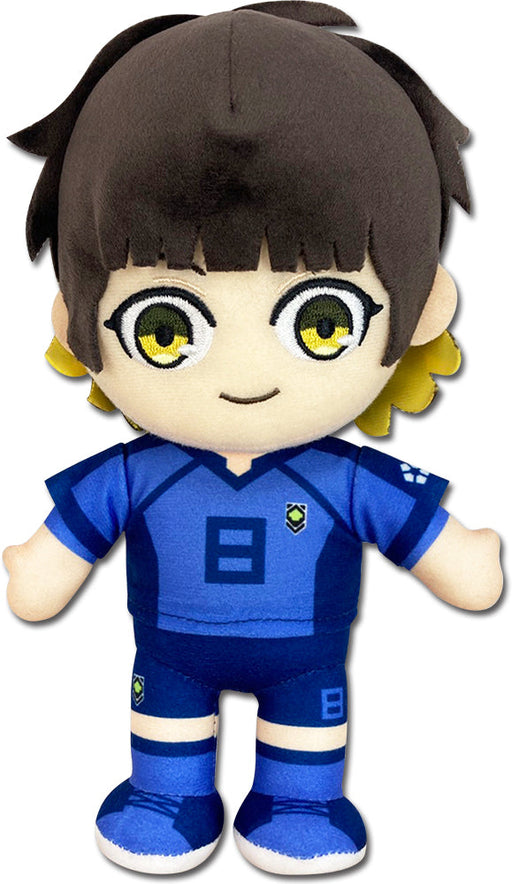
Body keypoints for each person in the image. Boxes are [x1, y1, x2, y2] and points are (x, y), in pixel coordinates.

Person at [4, 2, 502, 875]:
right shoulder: (140, 474)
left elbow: (442, 555)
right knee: (165, 730)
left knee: (307, 739)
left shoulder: (344, 478)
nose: (244, 374)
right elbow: (51, 570)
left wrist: (464, 557)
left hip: (304, 661)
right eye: (165, 328)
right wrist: (36, 571)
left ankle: (298, 803)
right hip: (171, 656)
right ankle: (167, 796)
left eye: (321, 321)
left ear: (422, 309)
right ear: (75, 323)